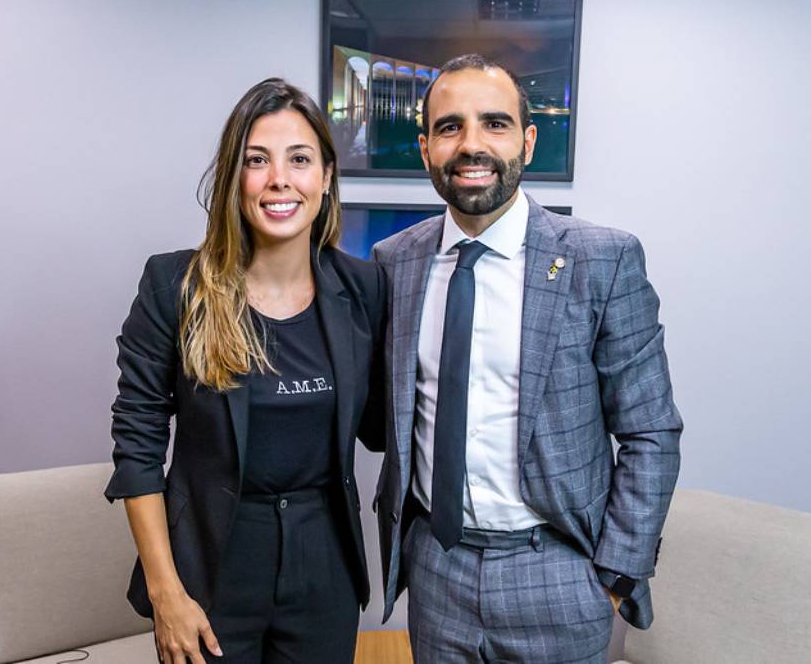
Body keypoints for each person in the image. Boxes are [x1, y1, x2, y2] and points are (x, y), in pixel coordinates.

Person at [371, 54, 683, 663]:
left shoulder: (602, 260)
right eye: (450, 127)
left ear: (527, 140)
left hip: (559, 574)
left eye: (495, 123)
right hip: (438, 572)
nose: (472, 145)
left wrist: (614, 577)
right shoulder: (394, 262)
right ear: (426, 147)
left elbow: (651, 430)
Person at [104, 78, 385, 664]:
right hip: (211, 565)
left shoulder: (363, 289)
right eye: (258, 160)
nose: (280, 178)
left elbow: (386, 424)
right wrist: (166, 593)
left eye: (300, 159)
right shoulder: (174, 287)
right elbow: (137, 449)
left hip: (324, 564)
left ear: (326, 177)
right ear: (236, 177)